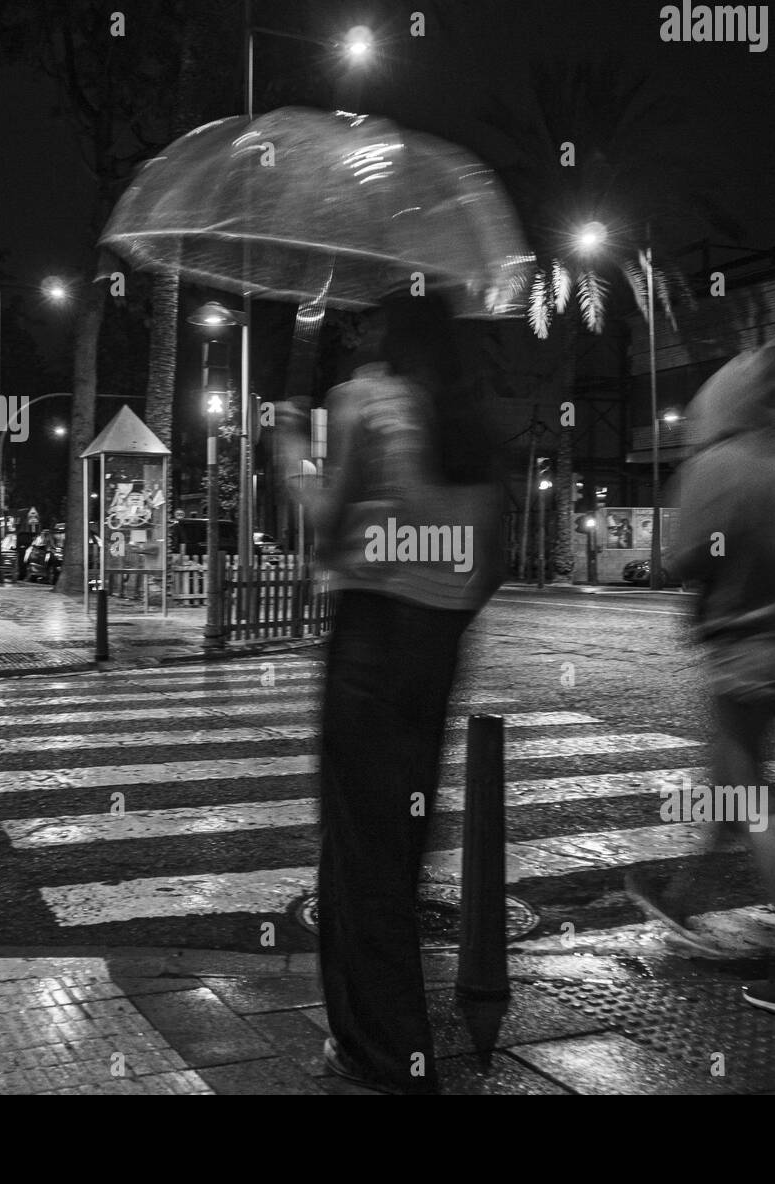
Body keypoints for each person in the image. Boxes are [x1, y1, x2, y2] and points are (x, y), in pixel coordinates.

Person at [278, 291, 504, 1094]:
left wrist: (290, 447)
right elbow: (487, 560)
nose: (352, 331)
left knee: (359, 848)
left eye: (362, 318)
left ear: (388, 328)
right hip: (435, 649)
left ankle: (380, 1052)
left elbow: (329, 521)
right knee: (398, 847)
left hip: (371, 642)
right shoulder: (468, 422)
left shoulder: (369, 396)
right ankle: (395, 1044)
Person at [627, 344, 775, 1019]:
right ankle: (681, 899)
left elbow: (686, 558)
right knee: (733, 790)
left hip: (737, 652)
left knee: (754, 806)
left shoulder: (717, 466)